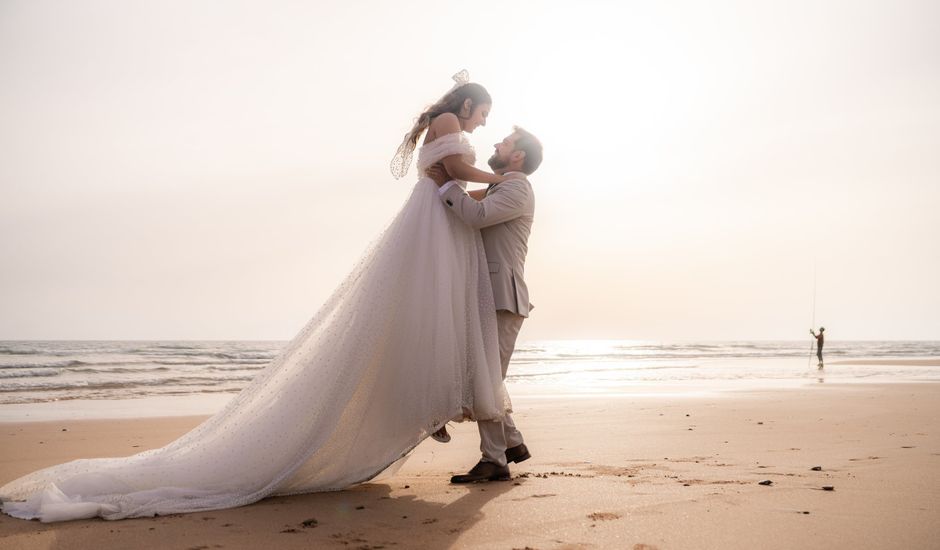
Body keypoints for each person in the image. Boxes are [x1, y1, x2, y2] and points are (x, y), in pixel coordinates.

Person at [1, 71, 512, 522]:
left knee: (423, 319)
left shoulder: (448, 125)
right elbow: (458, 172)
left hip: (436, 223)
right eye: (483, 113)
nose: (482, 124)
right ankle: (442, 406)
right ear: (467, 104)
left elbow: (454, 179)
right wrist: (503, 177)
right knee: (422, 315)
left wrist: (486, 186)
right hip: (430, 227)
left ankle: (442, 407)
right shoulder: (449, 122)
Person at [427, 126, 543, 483]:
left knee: (486, 378)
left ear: (518, 156)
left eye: (505, 143)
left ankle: (494, 460)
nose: (496, 143)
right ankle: (512, 443)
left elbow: (474, 215)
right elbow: (457, 204)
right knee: (487, 375)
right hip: (488, 294)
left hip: (502, 296)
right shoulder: (500, 186)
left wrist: (447, 183)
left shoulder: (516, 186)